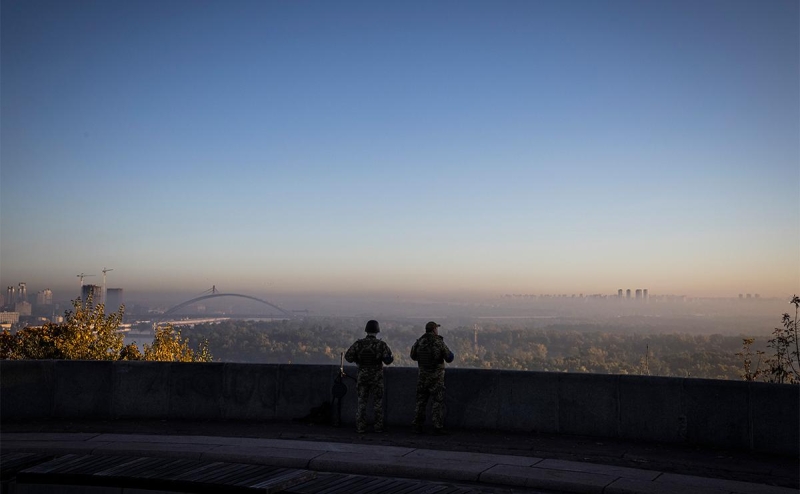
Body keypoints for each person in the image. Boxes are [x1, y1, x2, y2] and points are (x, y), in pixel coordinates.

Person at [344, 319, 394, 433]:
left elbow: (348, 357)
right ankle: (378, 426)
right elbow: (388, 361)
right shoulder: (381, 345)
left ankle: (361, 427)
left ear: (366, 330)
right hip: (377, 377)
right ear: (377, 331)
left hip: (362, 376)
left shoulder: (358, 344)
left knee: (362, 402)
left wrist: (359, 360)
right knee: (377, 403)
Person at [410, 321, 454, 435]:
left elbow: (413, 356)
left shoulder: (419, 342)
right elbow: (449, 357)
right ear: (434, 330)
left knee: (421, 402)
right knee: (437, 402)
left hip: (422, 377)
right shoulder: (438, 342)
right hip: (436, 378)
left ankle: (417, 425)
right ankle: (437, 426)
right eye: (436, 329)